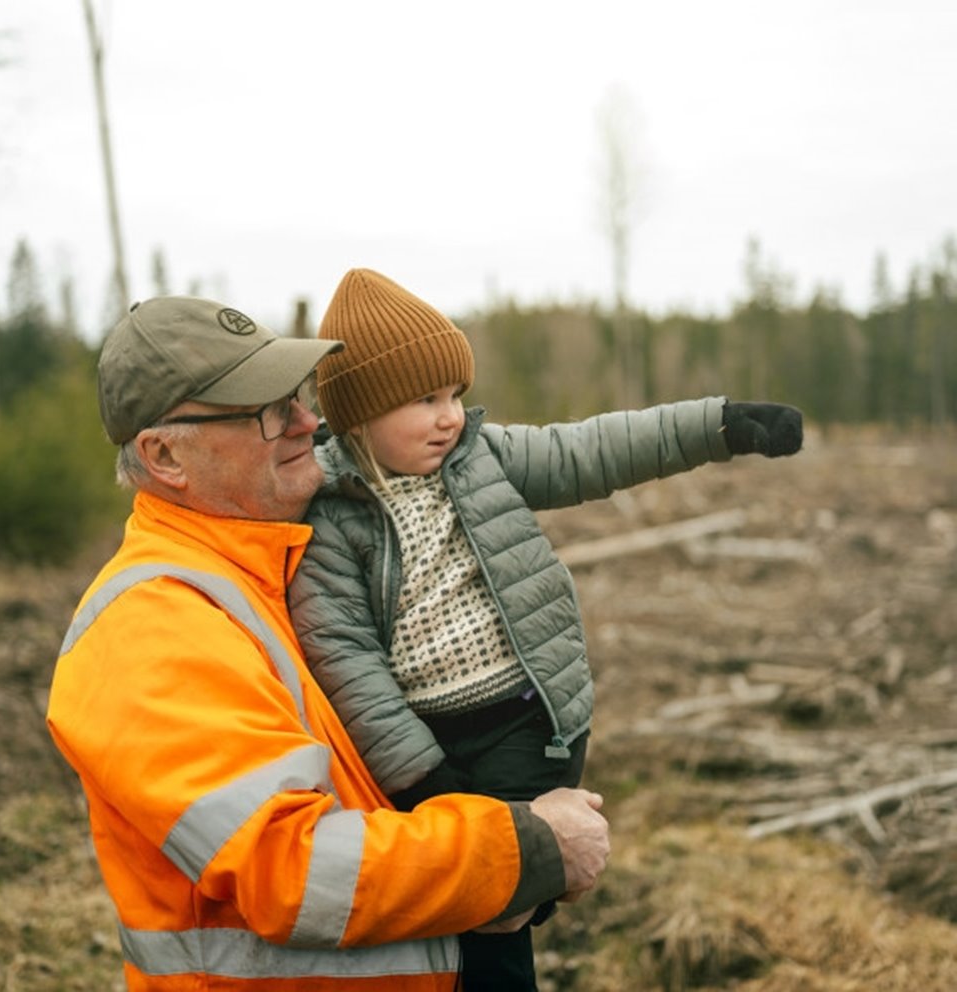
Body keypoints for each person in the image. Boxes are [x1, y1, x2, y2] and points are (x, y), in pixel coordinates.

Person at [45, 295, 611, 992]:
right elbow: (294, 870)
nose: (311, 423)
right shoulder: (152, 628)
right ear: (166, 455)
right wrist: (524, 848)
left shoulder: (273, 579)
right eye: (269, 412)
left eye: (299, 398)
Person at [288, 268, 804, 991]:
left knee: (489, 919)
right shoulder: (331, 516)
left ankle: (528, 886)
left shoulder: (480, 458)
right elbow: (347, 663)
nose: (451, 416)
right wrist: (425, 779)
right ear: (360, 415)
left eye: (457, 395)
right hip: (428, 749)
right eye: (426, 399)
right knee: (457, 915)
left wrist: (719, 424)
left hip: (526, 725)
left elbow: (592, 449)